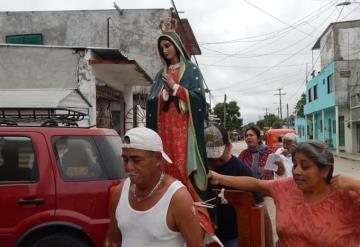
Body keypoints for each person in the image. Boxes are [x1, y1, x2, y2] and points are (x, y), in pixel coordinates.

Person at [209, 141, 360, 247]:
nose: (296, 171)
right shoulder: (287, 188)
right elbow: (256, 184)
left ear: (325, 170)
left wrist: (356, 184)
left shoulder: (348, 196)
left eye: (305, 166)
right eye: (294, 164)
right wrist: (219, 177)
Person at [146, 17, 214, 236]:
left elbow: (199, 100)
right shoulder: (160, 75)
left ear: (176, 46)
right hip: (164, 125)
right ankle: (167, 207)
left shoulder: (191, 70)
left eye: (167, 46)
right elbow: (152, 101)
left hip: (185, 129)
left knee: (182, 164)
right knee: (165, 163)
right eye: (161, 48)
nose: (164, 50)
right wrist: (163, 94)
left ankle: (193, 213)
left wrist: (176, 88)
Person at [104, 127, 205, 247]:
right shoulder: (120, 192)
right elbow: (112, 242)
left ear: (158, 159)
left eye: (136, 160)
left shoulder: (177, 198)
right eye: (125, 160)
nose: (129, 167)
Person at [204, 125, 263, 247]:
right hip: (206, 236)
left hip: (233, 237)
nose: (214, 161)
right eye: (209, 158)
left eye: (217, 157)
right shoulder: (200, 165)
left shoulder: (240, 169)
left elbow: (259, 205)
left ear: (228, 146)